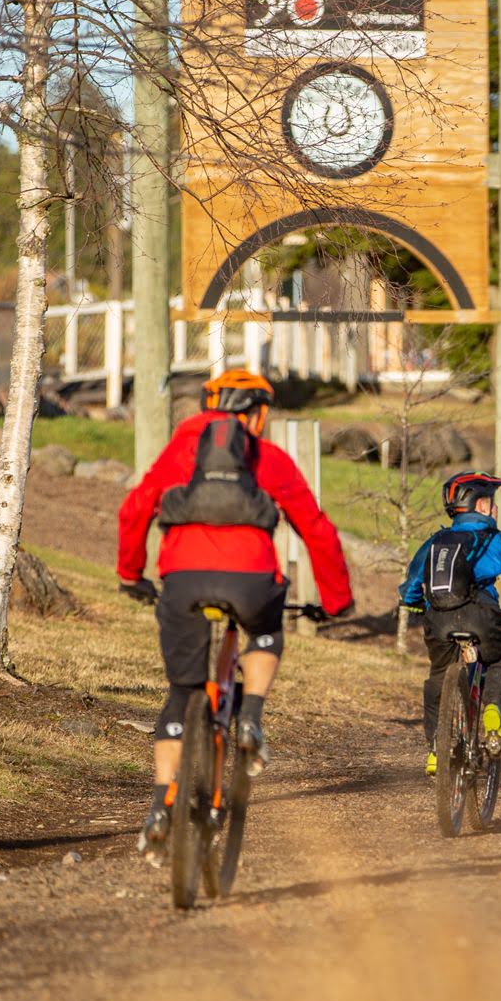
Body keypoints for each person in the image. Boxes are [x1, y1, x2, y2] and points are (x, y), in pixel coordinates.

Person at [117, 368, 354, 864]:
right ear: (258, 413)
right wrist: (336, 599)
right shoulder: (267, 457)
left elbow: (135, 508)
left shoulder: (181, 449)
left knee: (182, 694)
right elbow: (314, 526)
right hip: (251, 580)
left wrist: (130, 573)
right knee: (265, 632)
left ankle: (162, 805)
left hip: (181, 579)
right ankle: (249, 718)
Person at [399, 471, 501, 776]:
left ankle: (436, 750)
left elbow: (411, 583)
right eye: (491, 502)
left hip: (438, 617)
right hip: (483, 615)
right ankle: (492, 710)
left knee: (438, 674)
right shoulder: (499, 540)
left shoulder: (436, 540)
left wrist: (412, 601)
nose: (495, 509)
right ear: (479, 505)